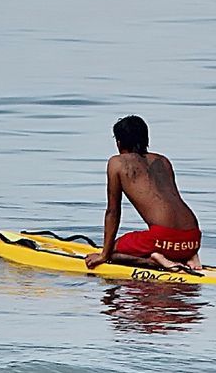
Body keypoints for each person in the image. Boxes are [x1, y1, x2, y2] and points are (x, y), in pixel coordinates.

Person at [84, 115, 204, 272]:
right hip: (193, 238)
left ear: (119, 142)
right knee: (165, 238)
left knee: (114, 251)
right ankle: (187, 256)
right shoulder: (163, 161)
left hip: (164, 239)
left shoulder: (117, 163)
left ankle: (156, 260)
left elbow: (113, 211)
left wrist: (104, 254)